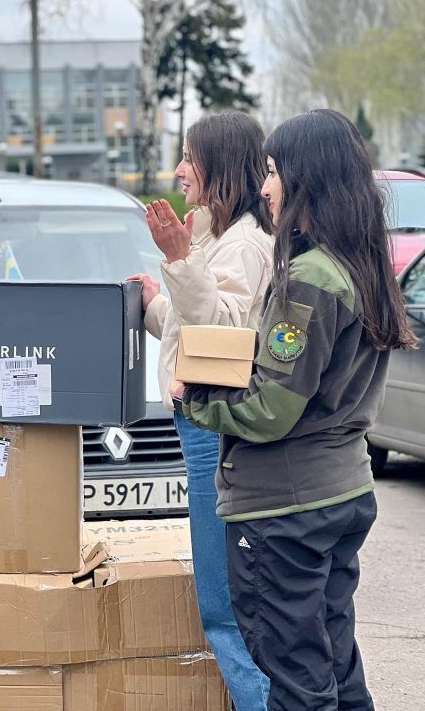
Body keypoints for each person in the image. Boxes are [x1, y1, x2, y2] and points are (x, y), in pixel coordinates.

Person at [182, 109, 418, 711]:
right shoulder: (361, 266)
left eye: (271, 171)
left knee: (295, 675)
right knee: (335, 661)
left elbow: (271, 410)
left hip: (286, 508)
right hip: (342, 494)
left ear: (304, 176)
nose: (265, 188)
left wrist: (202, 400)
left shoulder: (309, 279)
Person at [130, 111, 273, 710]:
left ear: (222, 167)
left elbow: (226, 336)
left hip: (214, 427)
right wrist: (158, 304)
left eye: (190, 157)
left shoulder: (244, 244)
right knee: (220, 597)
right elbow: (194, 327)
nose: (179, 169)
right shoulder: (216, 237)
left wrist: (183, 263)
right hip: (199, 426)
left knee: (223, 605)